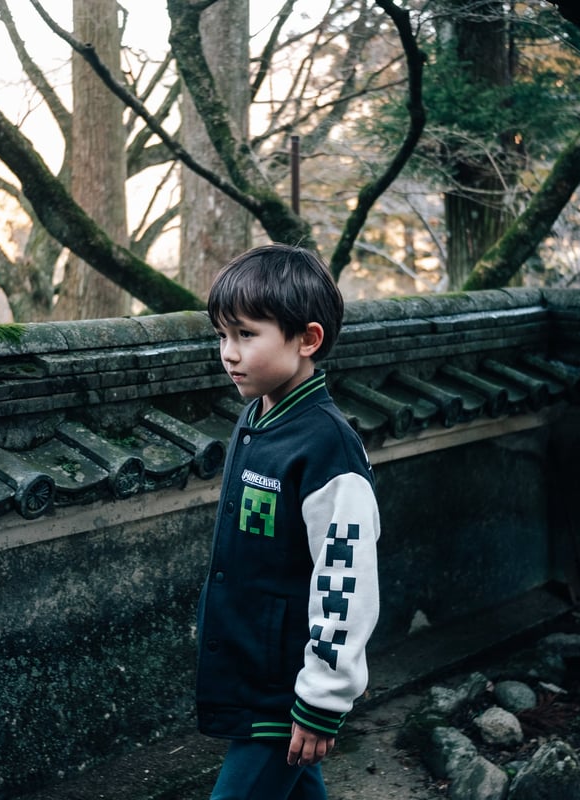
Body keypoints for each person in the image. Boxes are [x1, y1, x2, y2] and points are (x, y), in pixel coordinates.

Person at [196, 243, 381, 800]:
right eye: (222, 335)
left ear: (307, 339)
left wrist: (323, 696)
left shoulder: (327, 448)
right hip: (254, 671)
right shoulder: (257, 418)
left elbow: (346, 580)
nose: (229, 353)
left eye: (246, 335)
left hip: (287, 686)